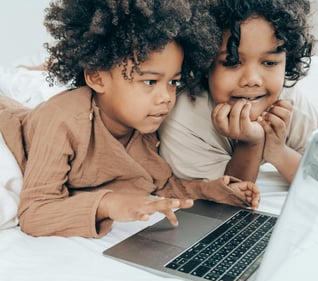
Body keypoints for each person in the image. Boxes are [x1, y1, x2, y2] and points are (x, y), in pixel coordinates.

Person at [0, 0, 259, 238]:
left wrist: (210, 190)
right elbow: (34, 212)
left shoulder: (143, 125)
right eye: (149, 81)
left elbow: (163, 184)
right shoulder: (63, 121)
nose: (166, 97)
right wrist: (107, 203)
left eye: (173, 82)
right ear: (97, 77)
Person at [159, 0, 318, 184]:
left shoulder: (290, 103)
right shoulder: (184, 119)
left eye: (269, 63)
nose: (252, 80)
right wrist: (250, 143)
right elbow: (231, 199)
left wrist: (279, 153)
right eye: (232, 62)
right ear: (205, 64)